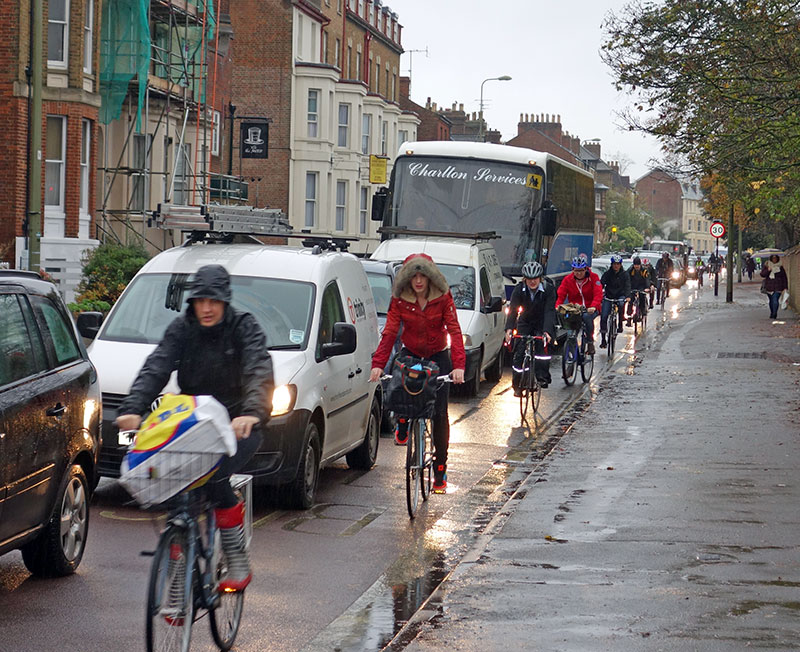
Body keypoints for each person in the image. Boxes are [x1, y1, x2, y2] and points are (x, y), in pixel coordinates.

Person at [116, 264, 274, 592]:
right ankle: (178, 576)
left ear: (226, 301)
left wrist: (251, 413)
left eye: (213, 301)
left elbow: (259, 369)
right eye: (200, 300)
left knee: (213, 477)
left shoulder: (244, 328)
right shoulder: (181, 328)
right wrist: (132, 409)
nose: (206, 308)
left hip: (238, 424)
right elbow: (156, 366)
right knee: (174, 485)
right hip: (194, 424)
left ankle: (236, 559)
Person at [370, 253, 466, 493]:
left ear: (431, 277)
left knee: (440, 414)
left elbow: (454, 330)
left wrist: (458, 366)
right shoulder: (400, 300)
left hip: (437, 356)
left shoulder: (443, 298)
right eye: (414, 275)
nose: (419, 281)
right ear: (408, 278)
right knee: (398, 382)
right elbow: (390, 332)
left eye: (423, 275)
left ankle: (440, 468)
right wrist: (378, 363)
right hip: (411, 352)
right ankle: (402, 421)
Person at [504, 261, 556, 395]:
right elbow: (513, 310)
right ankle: (517, 385)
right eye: (529, 279)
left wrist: (547, 332)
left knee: (542, 349)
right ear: (524, 279)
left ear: (540, 278)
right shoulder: (519, 289)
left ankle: (542, 377)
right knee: (519, 351)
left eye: (535, 279)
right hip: (525, 321)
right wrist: (509, 329)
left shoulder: (549, 290)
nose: (532, 282)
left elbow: (549, 311)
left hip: (542, 321)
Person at [555, 254, 602, 355]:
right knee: (569, 326)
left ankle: (590, 342)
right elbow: (561, 294)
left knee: (587, 317)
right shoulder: (568, 279)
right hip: (575, 309)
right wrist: (557, 306)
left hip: (590, 308)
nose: (579, 273)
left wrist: (593, 306)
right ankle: (572, 351)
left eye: (581, 270)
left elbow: (598, 293)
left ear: (586, 269)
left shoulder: (594, 277)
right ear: (573, 270)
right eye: (576, 271)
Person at [599, 254, 631, 347]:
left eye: (618, 264)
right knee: (604, 316)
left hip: (620, 295)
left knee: (621, 304)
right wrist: (599, 293)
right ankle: (603, 339)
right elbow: (601, 284)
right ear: (612, 264)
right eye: (614, 264)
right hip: (609, 296)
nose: (616, 266)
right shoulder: (607, 274)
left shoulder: (625, 274)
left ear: (620, 265)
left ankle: (620, 323)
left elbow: (627, 286)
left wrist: (627, 296)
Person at [760, 254, 788, 319]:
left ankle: (775, 313)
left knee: (775, 300)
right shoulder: (767, 265)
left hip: (778, 286)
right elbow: (762, 274)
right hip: (769, 286)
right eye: (773, 258)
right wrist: (768, 270)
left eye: (775, 258)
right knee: (771, 300)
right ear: (771, 259)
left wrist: (785, 287)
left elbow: (784, 277)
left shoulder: (780, 267)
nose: (774, 259)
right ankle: (772, 312)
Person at [627, 256, 654, 322]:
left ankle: (643, 311)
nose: (636, 267)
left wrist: (647, 287)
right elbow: (627, 279)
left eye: (638, 265)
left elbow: (647, 279)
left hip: (642, 286)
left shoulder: (644, 270)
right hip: (633, 286)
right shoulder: (630, 270)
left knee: (642, 297)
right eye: (635, 265)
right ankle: (629, 315)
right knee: (630, 299)